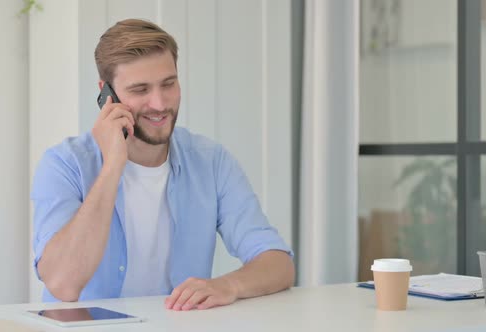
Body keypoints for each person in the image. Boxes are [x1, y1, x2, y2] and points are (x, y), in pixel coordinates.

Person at [31, 18, 294, 311]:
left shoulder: (210, 161)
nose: (159, 103)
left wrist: (228, 285)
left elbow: (278, 263)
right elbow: (63, 284)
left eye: (168, 84)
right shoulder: (64, 165)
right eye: (140, 90)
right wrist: (112, 166)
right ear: (107, 94)